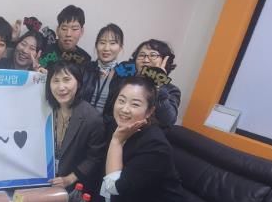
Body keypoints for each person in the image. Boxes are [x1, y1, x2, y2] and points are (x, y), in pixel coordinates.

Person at [45, 61, 107, 193]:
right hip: (44, 181)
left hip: (74, 186)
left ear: (78, 83)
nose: (61, 87)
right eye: (55, 81)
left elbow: (95, 157)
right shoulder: (45, 110)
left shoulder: (92, 118)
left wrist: (70, 179)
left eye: (66, 80)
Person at [102, 39, 180, 132]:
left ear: (164, 61)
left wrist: (158, 82)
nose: (146, 60)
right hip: (114, 130)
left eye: (153, 55)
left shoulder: (171, 90)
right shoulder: (125, 80)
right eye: (141, 55)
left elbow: (168, 121)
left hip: (146, 137)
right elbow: (109, 109)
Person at [81, 23, 124, 113]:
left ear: (120, 47)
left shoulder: (124, 74)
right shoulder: (85, 68)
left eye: (112, 43)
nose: (106, 48)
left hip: (107, 122)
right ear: (96, 45)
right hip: (80, 119)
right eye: (102, 43)